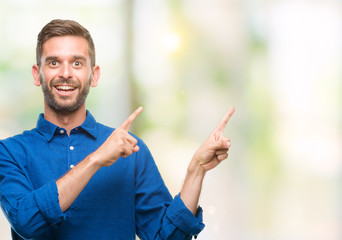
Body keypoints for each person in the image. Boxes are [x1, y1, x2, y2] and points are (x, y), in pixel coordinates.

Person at [0, 19, 235, 240]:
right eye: (54, 62)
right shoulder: (10, 152)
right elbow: (26, 222)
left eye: (77, 63)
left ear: (94, 75)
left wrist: (197, 170)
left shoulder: (130, 150)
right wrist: (96, 159)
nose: (65, 73)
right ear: (36, 74)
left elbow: (166, 236)